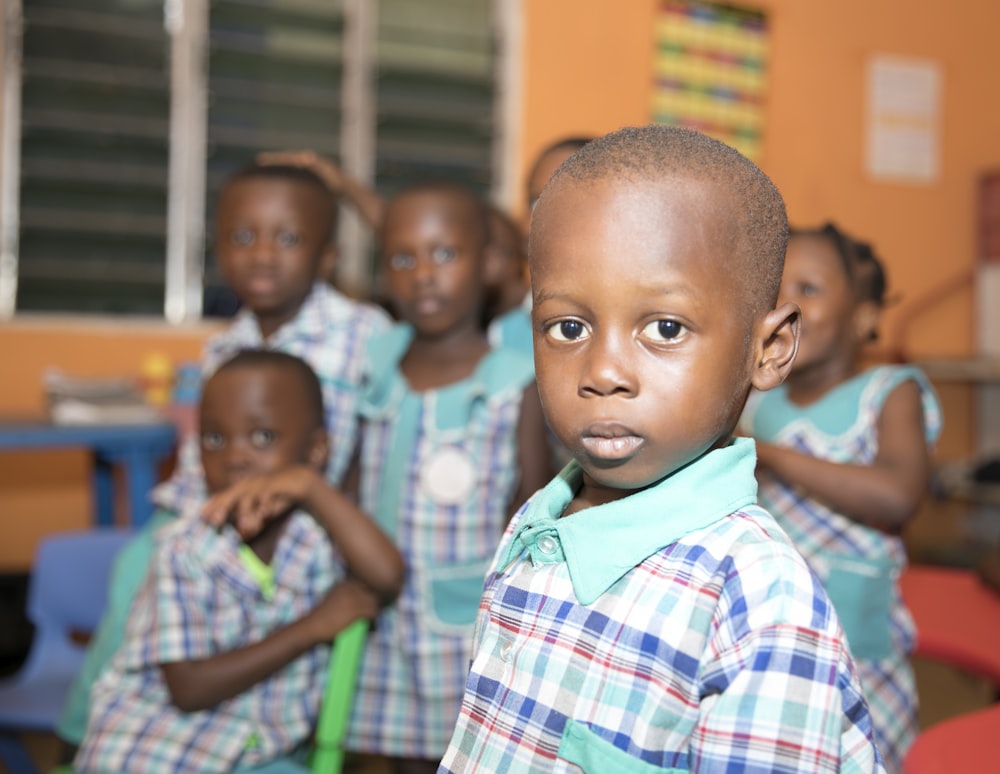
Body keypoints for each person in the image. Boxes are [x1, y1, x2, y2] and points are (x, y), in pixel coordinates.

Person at [439, 125, 886, 773]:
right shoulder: (537, 525)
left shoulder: (757, 605)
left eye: (664, 328)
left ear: (768, 350)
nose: (604, 370)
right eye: (568, 327)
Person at [56, 162, 392, 756]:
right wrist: (189, 523)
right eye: (243, 237)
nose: (262, 254)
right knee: (137, 574)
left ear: (327, 257)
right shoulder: (224, 343)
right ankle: (87, 736)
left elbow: (374, 440)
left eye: (286, 238)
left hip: (301, 523)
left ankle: (253, 733)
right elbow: (199, 455)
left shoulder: (364, 334)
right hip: (205, 514)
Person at [74, 350, 405, 774]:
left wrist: (308, 485)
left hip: (257, 751)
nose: (235, 458)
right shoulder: (184, 548)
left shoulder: (318, 538)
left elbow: (388, 577)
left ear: (316, 448)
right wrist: (315, 625)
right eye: (214, 439)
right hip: (152, 749)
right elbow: (189, 688)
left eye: (263, 437)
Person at [344, 181, 553, 774]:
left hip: (460, 624)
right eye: (402, 258)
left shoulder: (513, 380)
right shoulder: (377, 363)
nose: (423, 275)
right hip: (375, 614)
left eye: (444, 254)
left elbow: (531, 510)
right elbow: (353, 484)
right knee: (372, 750)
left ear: (488, 264)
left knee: (452, 754)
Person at [740, 223, 942, 771]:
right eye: (777, 291)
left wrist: (769, 454)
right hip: (775, 645)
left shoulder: (889, 391)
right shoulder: (757, 402)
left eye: (809, 290)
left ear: (863, 317)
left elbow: (897, 495)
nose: (787, 306)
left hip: (863, 659)